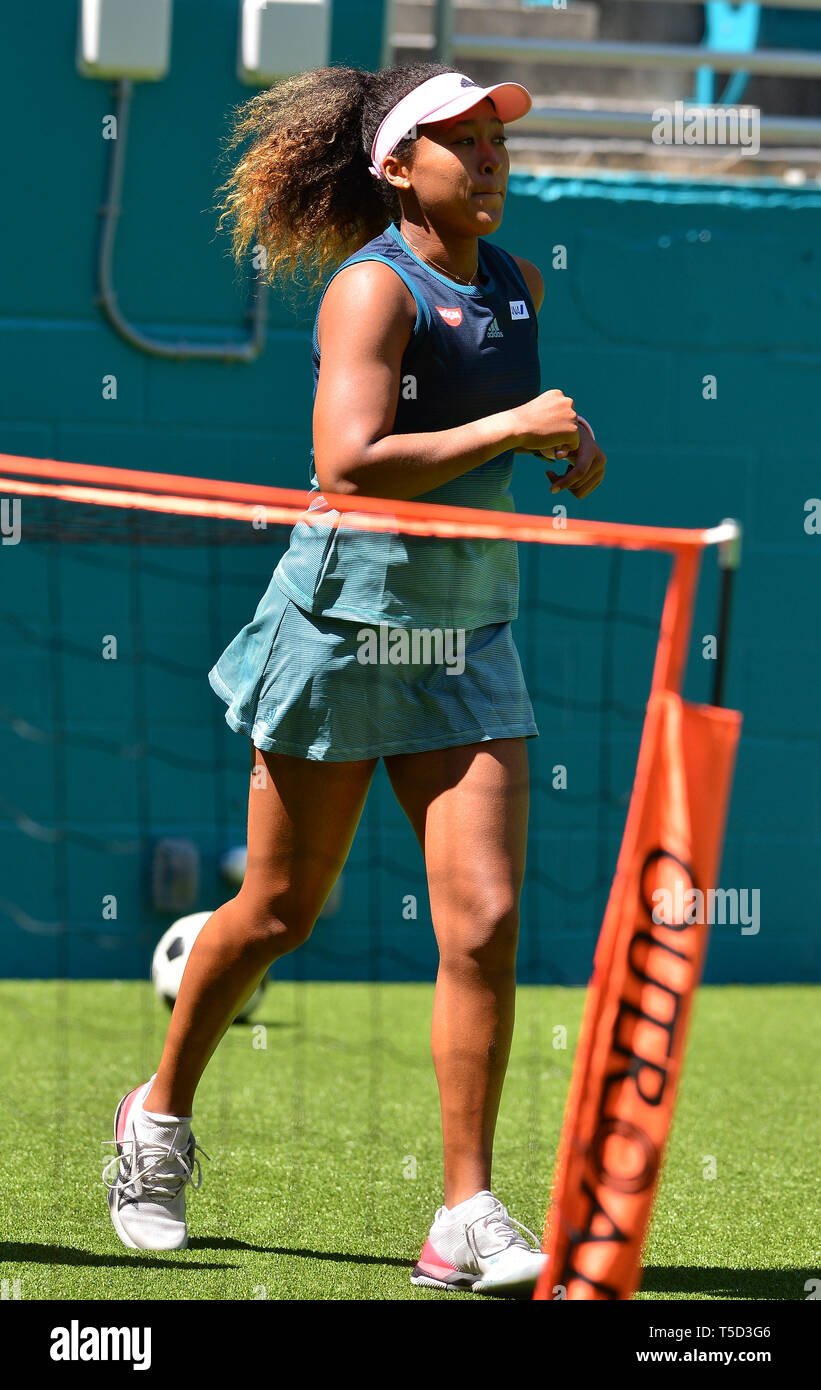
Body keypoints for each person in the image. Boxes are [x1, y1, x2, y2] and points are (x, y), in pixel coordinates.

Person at [102, 62, 606, 1297]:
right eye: (461, 141)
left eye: (497, 141)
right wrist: (511, 427)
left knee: (482, 923)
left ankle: (464, 1212)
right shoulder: (370, 293)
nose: (489, 158)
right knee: (279, 913)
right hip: (343, 629)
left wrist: (573, 454)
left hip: (468, 638)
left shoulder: (517, 287)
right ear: (396, 165)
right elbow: (347, 463)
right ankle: (155, 1120)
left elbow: (538, 450)